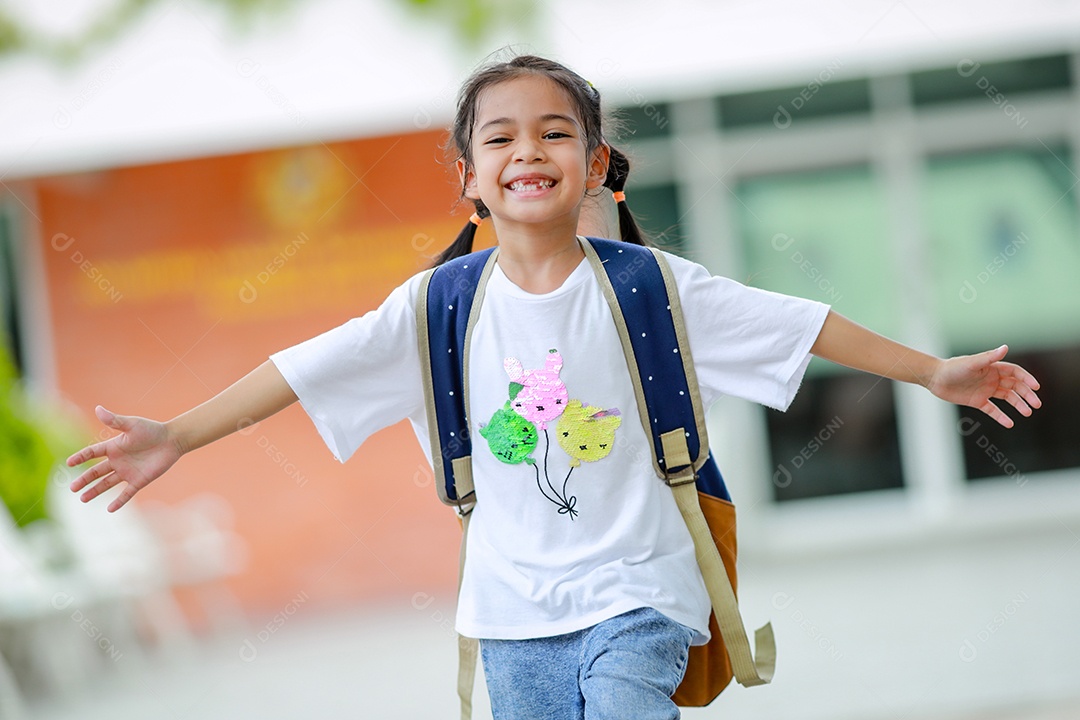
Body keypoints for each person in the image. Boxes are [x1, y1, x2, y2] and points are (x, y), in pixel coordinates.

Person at [67, 55, 1041, 719]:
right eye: (500, 138)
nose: (528, 151)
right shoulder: (436, 305)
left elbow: (795, 322)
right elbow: (301, 368)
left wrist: (932, 371)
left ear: (594, 165)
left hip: (640, 593)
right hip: (509, 616)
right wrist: (178, 435)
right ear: (469, 178)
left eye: (554, 133)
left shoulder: (650, 286)